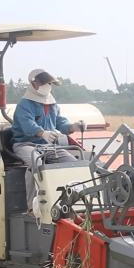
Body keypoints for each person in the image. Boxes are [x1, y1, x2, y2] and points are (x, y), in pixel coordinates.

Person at [11, 69, 82, 211]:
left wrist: (73, 126)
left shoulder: (52, 104)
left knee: (73, 164)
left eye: (50, 84)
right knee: (36, 163)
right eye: (46, 83)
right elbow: (27, 125)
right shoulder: (24, 104)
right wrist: (42, 133)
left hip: (47, 146)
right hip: (25, 144)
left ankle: (68, 202)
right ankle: (32, 207)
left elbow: (60, 123)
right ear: (34, 83)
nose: (48, 86)